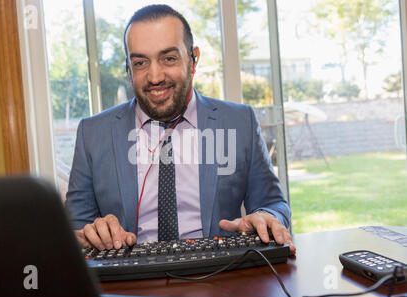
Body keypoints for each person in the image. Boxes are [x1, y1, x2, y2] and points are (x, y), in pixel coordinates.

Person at [65, 4, 296, 255]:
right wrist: (90, 234)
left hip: (220, 279)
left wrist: (265, 216)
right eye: (141, 62)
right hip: (129, 283)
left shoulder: (240, 121)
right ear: (129, 71)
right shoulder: (92, 132)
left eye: (169, 58)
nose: (155, 77)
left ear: (193, 59)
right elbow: (75, 229)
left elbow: (274, 204)